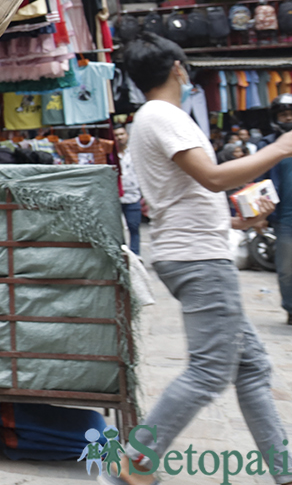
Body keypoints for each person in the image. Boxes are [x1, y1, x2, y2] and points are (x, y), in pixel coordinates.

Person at [106, 34, 292, 485]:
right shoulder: (161, 115)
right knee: (210, 372)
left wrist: (238, 223)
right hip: (199, 260)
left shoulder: (155, 117)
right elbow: (211, 178)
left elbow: (184, 197)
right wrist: (282, 146)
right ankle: (134, 460)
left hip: (196, 250)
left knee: (252, 369)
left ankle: (284, 470)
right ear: (177, 68)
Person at [260, 94, 292, 325]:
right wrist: (259, 216)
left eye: (291, 114)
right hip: (284, 217)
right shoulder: (268, 145)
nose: (288, 118)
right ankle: (290, 308)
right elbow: (259, 180)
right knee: (287, 269)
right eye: (283, 114)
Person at [112, 124, 142, 255]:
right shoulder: (110, 155)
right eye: (116, 135)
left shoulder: (135, 153)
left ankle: (135, 256)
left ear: (127, 135)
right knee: (117, 230)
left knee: (134, 227)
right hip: (114, 197)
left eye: (121, 134)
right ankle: (123, 256)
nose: (119, 138)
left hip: (133, 196)